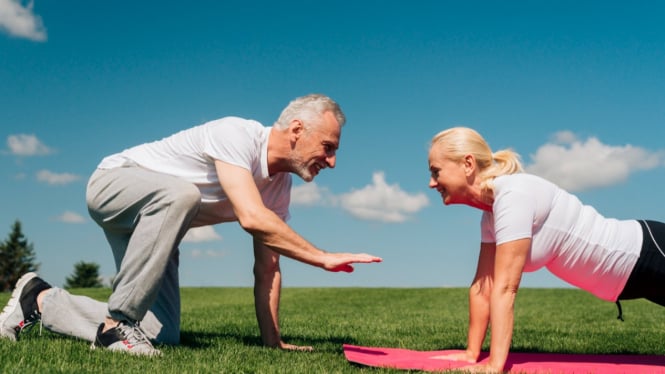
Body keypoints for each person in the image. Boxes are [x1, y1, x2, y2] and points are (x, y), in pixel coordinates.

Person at [0, 93, 382, 356]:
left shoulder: (278, 189)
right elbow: (251, 218)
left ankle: (41, 299)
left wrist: (272, 342)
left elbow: (268, 269)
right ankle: (117, 324)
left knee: (161, 334)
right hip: (113, 184)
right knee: (183, 195)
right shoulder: (238, 135)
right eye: (328, 147)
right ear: (297, 130)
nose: (331, 161)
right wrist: (321, 257)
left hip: (155, 228)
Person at [427, 126, 665, 373]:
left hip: (647, 252)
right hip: (633, 278)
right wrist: (471, 354)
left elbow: (506, 287)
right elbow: (483, 286)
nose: (431, 183)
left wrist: (495, 366)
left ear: (467, 164)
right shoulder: (491, 216)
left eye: (436, 172)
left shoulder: (513, 196)